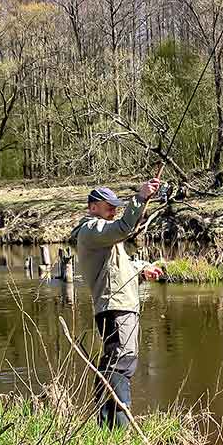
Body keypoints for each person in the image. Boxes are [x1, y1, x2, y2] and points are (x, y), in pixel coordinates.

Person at [70, 178, 164, 428]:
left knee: (118, 362)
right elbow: (124, 227)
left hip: (122, 306)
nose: (113, 210)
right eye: (108, 206)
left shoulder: (105, 237)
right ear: (93, 208)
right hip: (115, 308)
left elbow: (121, 267)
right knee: (121, 362)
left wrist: (143, 269)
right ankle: (118, 427)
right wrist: (140, 198)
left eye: (115, 206)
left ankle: (108, 426)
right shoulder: (93, 230)